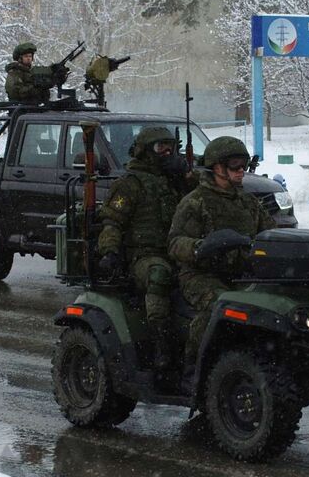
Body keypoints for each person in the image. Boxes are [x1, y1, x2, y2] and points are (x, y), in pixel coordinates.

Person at [168, 136, 276, 365]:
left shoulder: (248, 202)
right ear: (217, 167)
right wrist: (200, 247)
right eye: (234, 166)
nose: (240, 172)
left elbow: (270, 233)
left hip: (242, 272)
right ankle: (193, 366)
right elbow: (175, 243)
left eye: (243, 166)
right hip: (201, 274)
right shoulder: (195, 202)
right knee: (219, 306)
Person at [96, 126, 183, 373]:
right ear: (146, 152)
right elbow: (112, 222)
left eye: (171, 148)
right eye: (160, 148)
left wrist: (186, 176)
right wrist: (109, 252)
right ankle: (161, 344)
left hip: (177, 249)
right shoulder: (130, 184)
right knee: (158, 275)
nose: (167, 153)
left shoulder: (174, 180)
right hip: (144, 255)